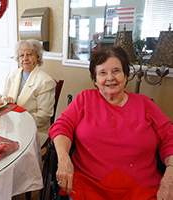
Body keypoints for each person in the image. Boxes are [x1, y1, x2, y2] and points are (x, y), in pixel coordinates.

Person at [48, 46, 173, 200]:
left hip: (141, 190)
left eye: (116, 71)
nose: (110, 78)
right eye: (102, 73)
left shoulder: (144, 104)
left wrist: (170, 175)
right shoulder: (85, 99)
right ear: (95, 79)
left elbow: (170, 138)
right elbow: (61, 126)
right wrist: (64, 159)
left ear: (126, 75)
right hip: (88, 186)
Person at [2, 39, 56, 144]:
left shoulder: (45, 82)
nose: (25, 59)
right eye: (21, 55)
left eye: (29, 54)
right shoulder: (11, 75)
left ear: (38, 57)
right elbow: (2, 99)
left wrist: (20, 119)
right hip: (10, 125)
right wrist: (5, 101)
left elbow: (44, 115)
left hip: (33, 131)